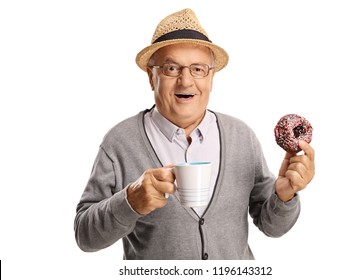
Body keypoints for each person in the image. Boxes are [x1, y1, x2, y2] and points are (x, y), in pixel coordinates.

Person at [74, 8, 315, 260]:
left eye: (198, 69)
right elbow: (84, 236)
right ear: (150, 75)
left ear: (211, 78)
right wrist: (130, 202)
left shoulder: (241, 136)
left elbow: (272, 226)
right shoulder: (120, 142)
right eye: (171, 68)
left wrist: (285, 195)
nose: (186, 81)